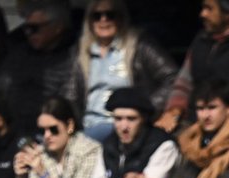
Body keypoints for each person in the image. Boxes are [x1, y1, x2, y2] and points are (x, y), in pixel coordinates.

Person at [62, 0, 177, 141]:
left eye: (110, 15)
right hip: (89, 125)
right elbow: (69, 95)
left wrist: (145, 107)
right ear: (89, 21)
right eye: (96, 16)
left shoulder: (140, 46)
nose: (103, 20)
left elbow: (172, 77)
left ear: (121, 18)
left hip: (125, 124)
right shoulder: (81, 51)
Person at [159, 0, 229, 132]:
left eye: (209, 9)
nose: (203, 14)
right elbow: (184, 82)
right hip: (195, 119)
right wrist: (174, 110)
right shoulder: (201, 40)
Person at [0, 1, 80, 138]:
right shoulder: (19, 53)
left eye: (35, 28)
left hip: (48, 131)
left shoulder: (72, 57)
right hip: (11, 129)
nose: (28, 33)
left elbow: (69, 101)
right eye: (26, 28)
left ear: (58, 27)